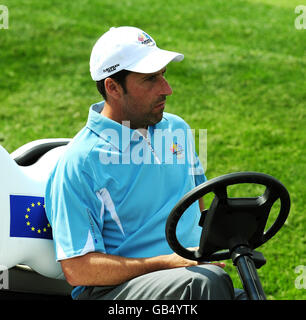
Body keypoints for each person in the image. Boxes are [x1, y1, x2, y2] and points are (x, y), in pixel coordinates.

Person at [45, 26, 245, 300]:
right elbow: (78, 269)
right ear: (113, 87)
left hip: (193, 281)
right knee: (203, 285)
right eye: (150, 79)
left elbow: (197, 208)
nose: (167, 89)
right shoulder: (80, 163)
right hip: (114, 294)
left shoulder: (177, 129)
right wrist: (166, 263)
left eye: (163, 75)